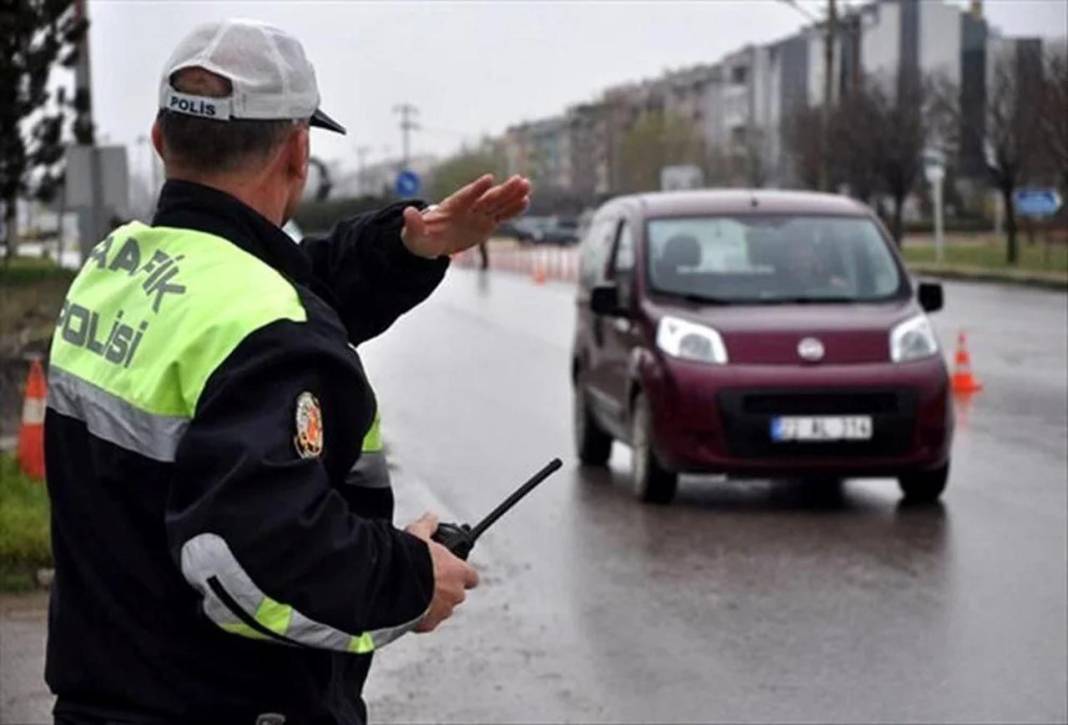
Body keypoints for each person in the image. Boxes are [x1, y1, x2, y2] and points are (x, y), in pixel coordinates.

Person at [44, 18, 530, 724]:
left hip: (101, 695)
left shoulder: (119, 265)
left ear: (159, 140)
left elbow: (275, 291)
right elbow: (257, 552)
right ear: (298, 151)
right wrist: (411, 577)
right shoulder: (263, 324)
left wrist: (404, 246)